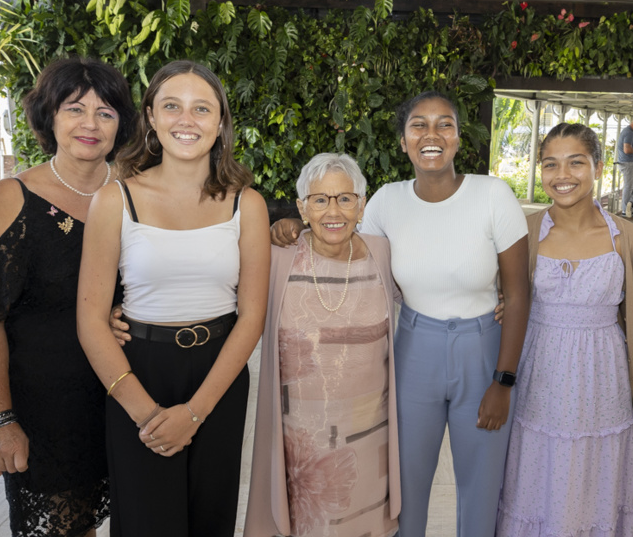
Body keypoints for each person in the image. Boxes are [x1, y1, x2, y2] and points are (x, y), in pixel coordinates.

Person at [271, 91, 530, 537]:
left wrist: (503, 382)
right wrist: (296, 227)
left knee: (481, 487)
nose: (432, 134)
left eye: (444, 124)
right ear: (404, 140)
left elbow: (519, 293)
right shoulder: (387, 202)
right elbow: (341, 239)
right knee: (406, 489)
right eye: (418, 125)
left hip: (482, 349)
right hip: (413, 350)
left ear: (457, 137)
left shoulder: (493, 195)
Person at [76, 60, 270, 537]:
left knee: (211, 520)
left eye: (201, 109)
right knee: (146, 523)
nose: (187, 120)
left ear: (221, 123)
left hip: (218, 377)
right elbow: (91, 321)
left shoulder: (248, 204)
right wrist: (147, 415)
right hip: (137, 376)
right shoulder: (114, 200)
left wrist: (195, 412)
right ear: (151, 118)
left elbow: (252, 318)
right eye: (172, 107)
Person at [0, 56, 136, 536]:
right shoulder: (13, 196)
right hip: (46, 411)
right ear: (49, 116)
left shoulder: (135, 194)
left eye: (105, 112)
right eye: (74, 108)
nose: (90, 123)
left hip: (124, 399)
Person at [496, 123, 633, 537]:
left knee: (591, 477)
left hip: (602, 380)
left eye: (576, 162)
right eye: (551, 164)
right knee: (535, 472)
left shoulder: (628, 239)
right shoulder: (524, 233)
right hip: (539, 377)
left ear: (599, 166)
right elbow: (508, 297)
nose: (562, 175)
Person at [244, 153, 400, 537]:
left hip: (368, 434)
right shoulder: (278, 257)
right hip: (299, 444)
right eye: (320, 200)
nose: (334, 210)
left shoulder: (382, 252)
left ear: (361, 206)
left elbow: (431, 289)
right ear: (301, 207)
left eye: (345, 198)